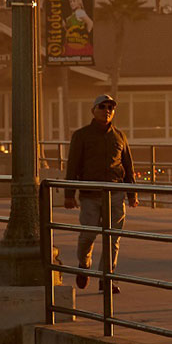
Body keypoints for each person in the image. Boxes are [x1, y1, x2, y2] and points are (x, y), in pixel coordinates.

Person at [64, 94, 137, 292]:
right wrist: (69, 194)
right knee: (88, 235)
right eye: (102, 107)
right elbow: (73, 166)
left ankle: (106, 277)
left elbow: (128, 164)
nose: (107, 111)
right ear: (93, 110)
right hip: (90, 195)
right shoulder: (81, 136)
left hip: (115, 193)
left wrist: (132, 193)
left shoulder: (119, 136)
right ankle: (84, 265)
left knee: (113, 238)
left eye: (110, 108)